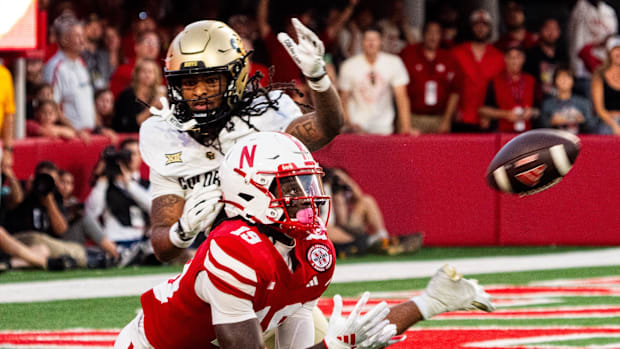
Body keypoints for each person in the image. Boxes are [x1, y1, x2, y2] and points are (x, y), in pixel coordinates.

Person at [114, 131, 496, 349]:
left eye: (308, 182)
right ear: (250, 190)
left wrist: (425, 303)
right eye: (290, 185)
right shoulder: (234, 248)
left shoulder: (315, 253)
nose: (305, 196)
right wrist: (337, 346)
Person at [140, 19, 343, 263]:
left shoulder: (266, 117)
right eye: (190, 82)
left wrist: (318, 78)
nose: (200, 91)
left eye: (211, 80)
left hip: (286, 254)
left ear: (234, 78)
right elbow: (162, 247)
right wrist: (181, 233)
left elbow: (327, 126)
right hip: (225, 260)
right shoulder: (167, 136)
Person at [43, 14, 116, 142]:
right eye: (78, 36)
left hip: (88, 136)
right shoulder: (56, 67)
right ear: (65, 40)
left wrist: (98, 129)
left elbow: (88, 101)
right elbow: (51, 106)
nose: (83, 41)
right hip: (69, 139)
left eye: (83, 36)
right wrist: (75, 131)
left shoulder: (81, 63)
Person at [323, 168, 423, 257]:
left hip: (347, 226)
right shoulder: (321, 188)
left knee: (367, 201)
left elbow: (359, 196)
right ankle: (372, 243)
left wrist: (345, 180)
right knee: (328, 227)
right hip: (333, 228)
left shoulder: (340, 188)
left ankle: (382, 239)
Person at [338, 26, 416, 135]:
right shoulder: (349, 65)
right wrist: (348, 124)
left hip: (384, 127)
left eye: (374, 40)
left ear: (381, 41)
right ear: (362, 42)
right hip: (357, 127)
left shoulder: (394, 62)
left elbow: (401, 97)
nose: (371, 43)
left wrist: (406, 127)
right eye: (367, 40)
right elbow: (343, 100)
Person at [86, 139, 151, 250]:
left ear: (141, 157)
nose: (131, 158)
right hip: (117, 243)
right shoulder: (106, 185)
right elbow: (92, 213)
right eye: (127, 153)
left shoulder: (147, 185)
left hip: (144, 242)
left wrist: (129, 185)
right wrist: (102, 178)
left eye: (134, 154)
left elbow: (154, 207)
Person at [450, 9, 505, 132]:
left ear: (490, 28)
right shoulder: (456, 53)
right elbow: (449, 85)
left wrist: (492, 113)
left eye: (484, 25)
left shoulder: (499, 57)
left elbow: (502, 90)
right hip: (461, 117)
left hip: (486, 119)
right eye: (476, 25)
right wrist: (453, 110)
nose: (480, 29)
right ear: (470, 27)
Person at [400, 21, 457, 133]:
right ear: (423, 34)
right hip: (413, 117)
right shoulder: (409, 53)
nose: (433, 37)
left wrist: (446, 120)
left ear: (441, 36)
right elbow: (400, 88)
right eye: (430, 33)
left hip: (439, 119)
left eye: (437, 33)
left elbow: (455, 91)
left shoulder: (448, 58)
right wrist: (405, 122)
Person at [479, 46, 538, 133]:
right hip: (502, 132)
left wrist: (531, 112)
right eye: (511, 58)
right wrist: (506, 114)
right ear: (505, 59)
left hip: (527, 134)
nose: (514, 61)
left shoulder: (531, 81)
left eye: (518, 57)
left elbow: (539, 110)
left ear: (523, 59)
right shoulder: (496, 81)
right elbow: (483, 110)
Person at [568, 0, 618, 98]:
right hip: (582, 70)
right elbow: (578, 45)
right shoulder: (580, 7)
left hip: (602, 67)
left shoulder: (609, 12)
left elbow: (612, 39)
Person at [113, 59, 164, 132]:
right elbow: (132, 124)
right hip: (129, 136)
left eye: (151, 72)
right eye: (144, 71)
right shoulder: (127, 95)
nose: (147, 75)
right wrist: (152, 107)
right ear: (137, 74)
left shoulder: (159, 94)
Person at [540, 65, 595, 134]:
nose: (564, 80)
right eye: (560, 77)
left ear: (573, 81)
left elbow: (592, 125)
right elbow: (541, 126)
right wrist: (551, 122)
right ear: (555, 81)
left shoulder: (583, 103)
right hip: (555, 140)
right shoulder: (548, 104)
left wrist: (582, 120)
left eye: (568, 77)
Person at [524, 18, 568, 100]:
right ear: (540, 31)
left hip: (560, 98)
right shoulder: (532, 54)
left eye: (554, 29)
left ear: (559, 32)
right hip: (538, 99)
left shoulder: (563, 54)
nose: (551, 33)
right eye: (547, 28)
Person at [109, 31, 161, 98]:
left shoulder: (159, 72)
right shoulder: (123, 71)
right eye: (148, 42)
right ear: (136, 47)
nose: (152, 47)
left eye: (156, 43)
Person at [591, 36, 620, 135]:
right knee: (606, 131)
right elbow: (599, 109)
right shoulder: (600, 74)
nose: (619, 53)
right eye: (616, 49)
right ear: (609, 52)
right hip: (607, 120)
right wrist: (614, 124)